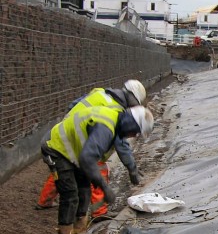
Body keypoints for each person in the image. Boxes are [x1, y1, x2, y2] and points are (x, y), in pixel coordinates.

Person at [41, 104, 154, 234]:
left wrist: (132, 168)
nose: (134, 135)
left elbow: (121, 148)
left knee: (84, 191)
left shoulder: (117, 123)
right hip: (57, 149)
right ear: (131, 123)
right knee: (70, 195)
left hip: (74, 153)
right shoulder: (106, 127)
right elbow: (87, 159)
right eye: (135, 131)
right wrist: (104, 186)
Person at [36, 80, 147, 213]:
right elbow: (121, 143)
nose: (134, 108)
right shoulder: (116, 112)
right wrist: (131, 167)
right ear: (131, 97)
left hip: (68, 131)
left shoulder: (100, 92)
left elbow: (73, 104)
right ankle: (99, 212)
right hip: (86, 136)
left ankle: (45, 201)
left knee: (63, 166)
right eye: (135, 103)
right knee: (99, 168)